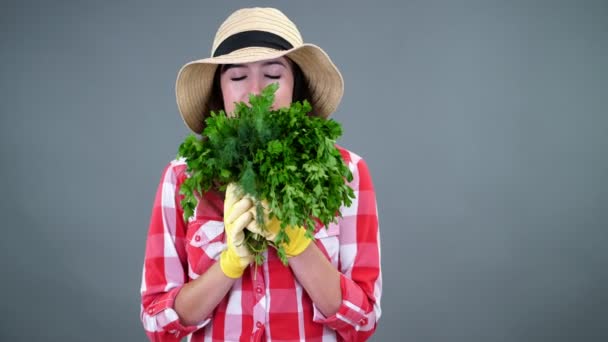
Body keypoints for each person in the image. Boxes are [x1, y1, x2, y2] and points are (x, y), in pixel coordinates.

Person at [140, 7, 381, 342]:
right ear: (218, 93)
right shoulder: (181, 178)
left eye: (272, 75)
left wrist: (296, 243)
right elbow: (158, 325)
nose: (255, 93)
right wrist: (228, 264)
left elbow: (363, 322)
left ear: (297, 87)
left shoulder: (347, 173)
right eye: (238, 77)